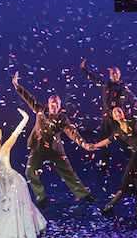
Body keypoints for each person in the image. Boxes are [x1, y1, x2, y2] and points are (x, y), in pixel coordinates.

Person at [12, 71, 96, 209]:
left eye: (56, 104)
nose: (54, 106)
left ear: (60, 106)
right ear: (48, 104)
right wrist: (16, 86)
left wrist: (83, 143)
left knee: (68, 172)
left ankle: (84, 194)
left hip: (54, 150)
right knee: (29, 171)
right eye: (52, 104)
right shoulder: (40, 109)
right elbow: (29, 98)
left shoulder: (62, 119)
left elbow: (71, 132)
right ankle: (41, 197)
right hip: (38, 148)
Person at [85, 83, 137, 223]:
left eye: (119, 111)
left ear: (122, 113)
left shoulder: (132, 119)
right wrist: (93, 146)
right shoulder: (118, 131)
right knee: (126, 181)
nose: (117, 113)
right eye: (115, 113)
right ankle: (111, 204)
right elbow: (107, 141)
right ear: (113, 118)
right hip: (136, 156)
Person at [0, 108, 47, 238]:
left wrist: (25, 118)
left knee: (17, 208)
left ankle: (21, 234)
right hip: (4, 186)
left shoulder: (5, 147)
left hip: (15, 182)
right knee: (8, 209)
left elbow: (16, 133)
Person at [81, 59, 137, 169]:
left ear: (120, 75)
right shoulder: (105, 85)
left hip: (118, 118)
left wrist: (136, 102)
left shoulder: (122, 86)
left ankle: (134, 161)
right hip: (106, 118)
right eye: (113, 73)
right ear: (109, 74)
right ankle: (104, 164)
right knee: (105, 140)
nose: (115, 75)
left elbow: (129, 94)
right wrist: (84, 69)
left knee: (123, 140)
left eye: (117, 73)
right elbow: (94, 79)